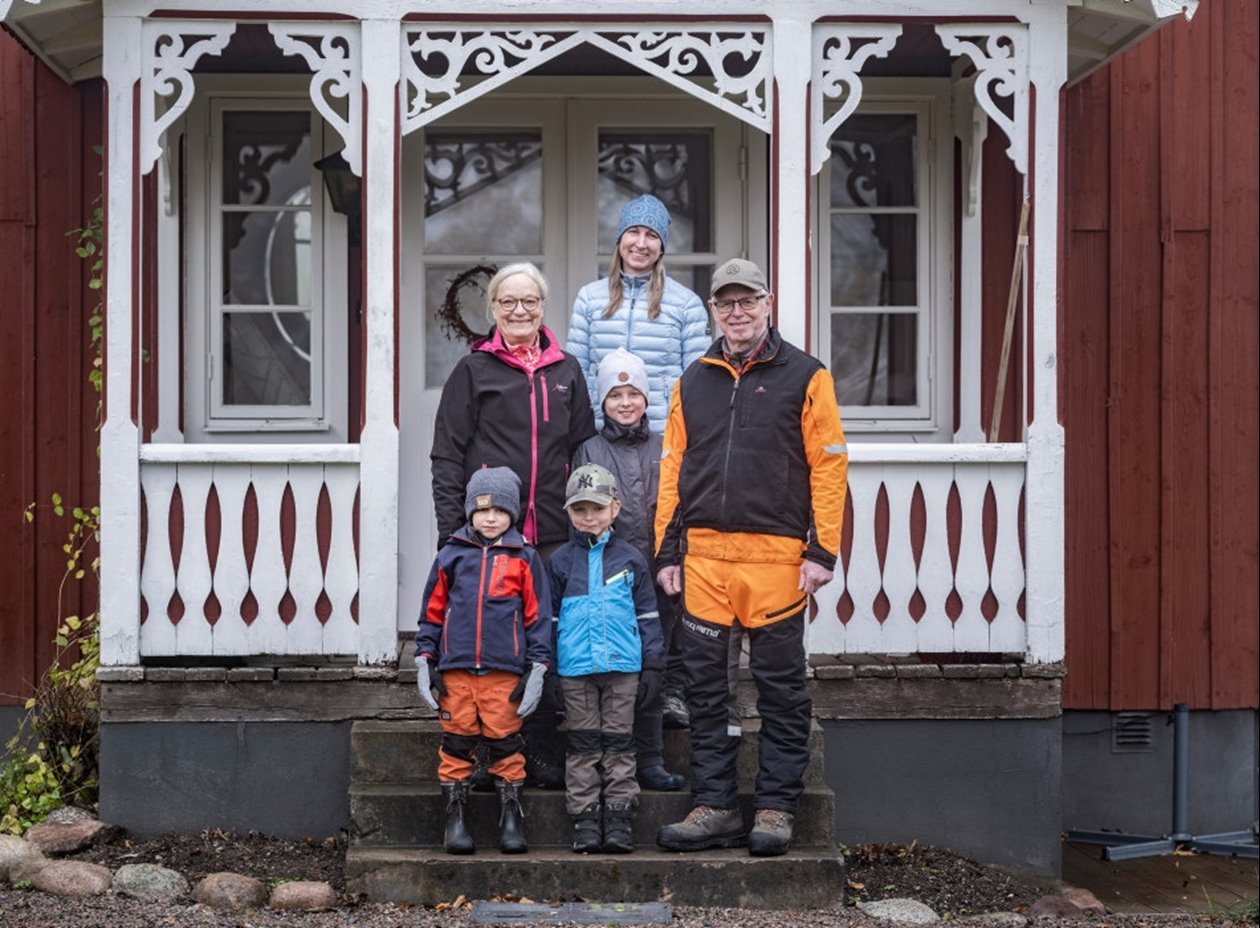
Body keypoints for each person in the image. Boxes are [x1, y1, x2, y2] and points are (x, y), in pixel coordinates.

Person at [654, 258, 849, 857]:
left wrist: (823, 550)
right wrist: (667, 549)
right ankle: (713, 806)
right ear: (713, 310)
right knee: (707, 692)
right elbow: (672, 469)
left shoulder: (807, 376)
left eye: (748, 301)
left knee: (782, 691)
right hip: (706, 559)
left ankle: (774, 809)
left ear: (768, 303)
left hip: (778, 560)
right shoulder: (693, 380)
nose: (737, 312)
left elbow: (830, 464)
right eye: (725, 303)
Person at [431, 261, 596, 789]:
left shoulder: (567, 370)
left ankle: (540, 750)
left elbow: (583, 450)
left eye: (529, 301)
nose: (519, 311)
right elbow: (446, 455)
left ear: (543, 308)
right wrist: (451, 530)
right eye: (508, 302)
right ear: (494, 310)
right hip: (489, 537)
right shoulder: (474, 371)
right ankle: (484, 753)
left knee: (542, 644)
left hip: (551, 534)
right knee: (490, 646)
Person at [415, 467, 551, 855]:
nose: (490, 519)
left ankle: (511, 818)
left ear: (513, 513)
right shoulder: (450, 556)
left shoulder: (524, 558)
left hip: (503, 673)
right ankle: (455, 819)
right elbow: (432, 613)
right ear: (469, 513)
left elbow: (536, 618)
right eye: (482, 511)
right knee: (457, 743)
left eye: (499, 511)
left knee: (506, 743)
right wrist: (425, 659)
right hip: (455, 671)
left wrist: (538, 667)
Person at [572, 348, 685, 792]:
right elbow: (584, 512)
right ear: (602, 402)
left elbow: (678, 505)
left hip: (659, 572)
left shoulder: (664, 447)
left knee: (653, 665)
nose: (625, 402)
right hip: (612, 577)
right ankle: (607, 756)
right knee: (617, 671)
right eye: (615, 394)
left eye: (633, 393)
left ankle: (651, 758)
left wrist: (673, 557)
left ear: (646, 399)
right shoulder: (590, 450)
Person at [548, 463, 665, 854]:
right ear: (569, 513)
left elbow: (648, 615)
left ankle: (618, 818)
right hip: (575, 670)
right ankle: (584, 820)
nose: (588, 517)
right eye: (580, 510)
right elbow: (547, 620)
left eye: (596, 509)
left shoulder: (631, 559)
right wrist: (547, 670)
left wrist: (652, 665)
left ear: (615, 508)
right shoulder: (560, 562)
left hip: (623, 669)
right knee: (582, 746)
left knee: (619, 743)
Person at [566, 193, 710, 433]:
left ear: (661, 246)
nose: (641, 244)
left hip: (661, 435)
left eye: (652, 235)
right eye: (633, 232)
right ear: (620, 238)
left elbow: (699, 385)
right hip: (598, 434)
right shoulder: (589, 298)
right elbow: (576, 374)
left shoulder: (686, 304)